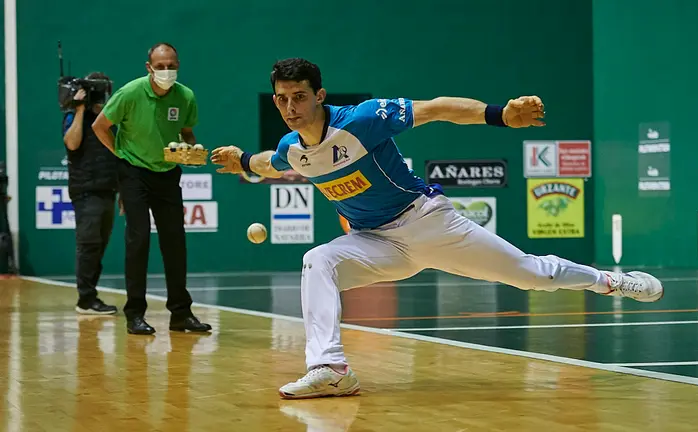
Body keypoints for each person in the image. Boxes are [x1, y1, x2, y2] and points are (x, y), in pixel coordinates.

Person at [211, 58, 664, 399]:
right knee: (318, 260)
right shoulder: (293, 147)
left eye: (300, 97)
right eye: (283, 99)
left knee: (532, 275)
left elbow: (436, 109)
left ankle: (611, 281)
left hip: (426, 223)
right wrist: (241, 163)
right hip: (374, 243)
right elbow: (270, 161)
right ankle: (332, 369)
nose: (291, 107)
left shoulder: (363, 120)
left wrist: (500, 114)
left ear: (320, 95)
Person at [91, 42, 211, 335]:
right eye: (160, 66)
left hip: (168, 173)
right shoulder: (130, 93)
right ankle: (134, 314)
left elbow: (187, 132)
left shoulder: (185, 96)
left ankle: (181, 314)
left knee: (175, 242)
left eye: (171, 65)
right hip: (133, 173)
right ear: (149, 68)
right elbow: (100, 126)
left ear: (178, 65)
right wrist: (119, 155)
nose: (166, 71)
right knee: (139, 239)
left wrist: (191, 149)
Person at [62, 72, 119, 315]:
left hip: (108, 189)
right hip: (86, 190)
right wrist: (79, 110)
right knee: (89, 244)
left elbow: (119, 156)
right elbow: (72, 144)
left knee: (99, 246)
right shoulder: (74, 117)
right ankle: (86, 299)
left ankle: (90, 295)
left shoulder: (110, 120)